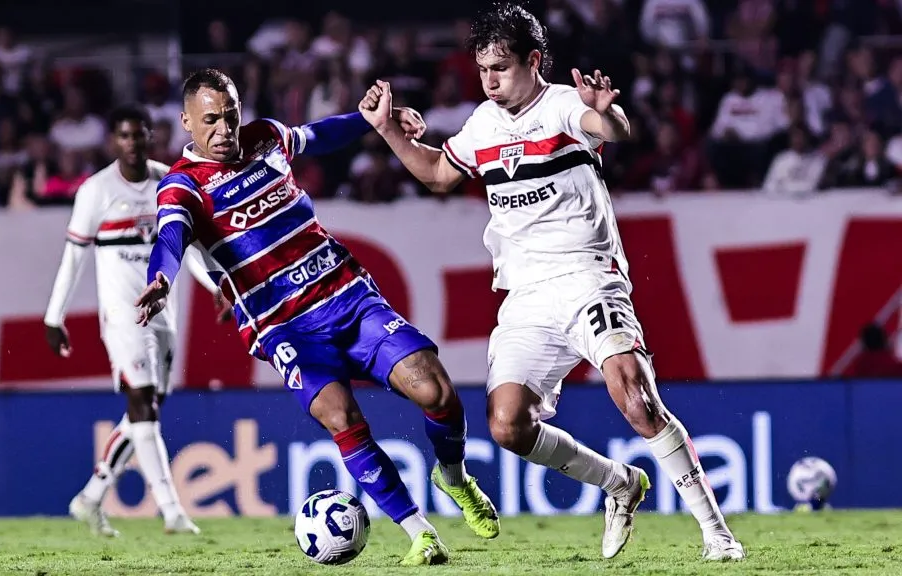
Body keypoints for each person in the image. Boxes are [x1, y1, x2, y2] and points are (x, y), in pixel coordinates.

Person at [358, 3, 745, 562]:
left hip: (589, 277)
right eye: (482, 69)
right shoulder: (483, 125)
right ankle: (620, 484)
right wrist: (390, 130)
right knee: (507, 426)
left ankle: (717, 534)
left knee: (635, 394)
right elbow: (438, 173)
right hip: (526, 297)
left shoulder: (564, 103)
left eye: (501, 68)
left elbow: (613, 128)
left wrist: (605, 115)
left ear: (533, 60)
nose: (489, 81)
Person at [134, 68, 499, 566]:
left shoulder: (264, 138)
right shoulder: (182, 187)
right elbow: (171, 237)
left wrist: (370, 123)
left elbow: (317, 136)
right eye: (211, 121)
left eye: (231, 117)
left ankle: (453, 477)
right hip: (285, 325)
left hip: (347, 293)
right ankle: (420, 533)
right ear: (186, 123)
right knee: (339, 414)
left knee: (437, 391)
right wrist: (162, 278)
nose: (224, 131)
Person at [43, 104, 228, 538]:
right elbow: (74, 257)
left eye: (139, 134)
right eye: (124, 136)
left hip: (164, 315)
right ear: (114, 141)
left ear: (150, 137)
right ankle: (172, 511)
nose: (132, 143)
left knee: (147, 412)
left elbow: (191, 249)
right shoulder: (96, 190)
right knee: (143, 405)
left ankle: (90, 497)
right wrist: (55, 316)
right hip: (124, 318)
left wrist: (217, 284)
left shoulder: (171, 180)